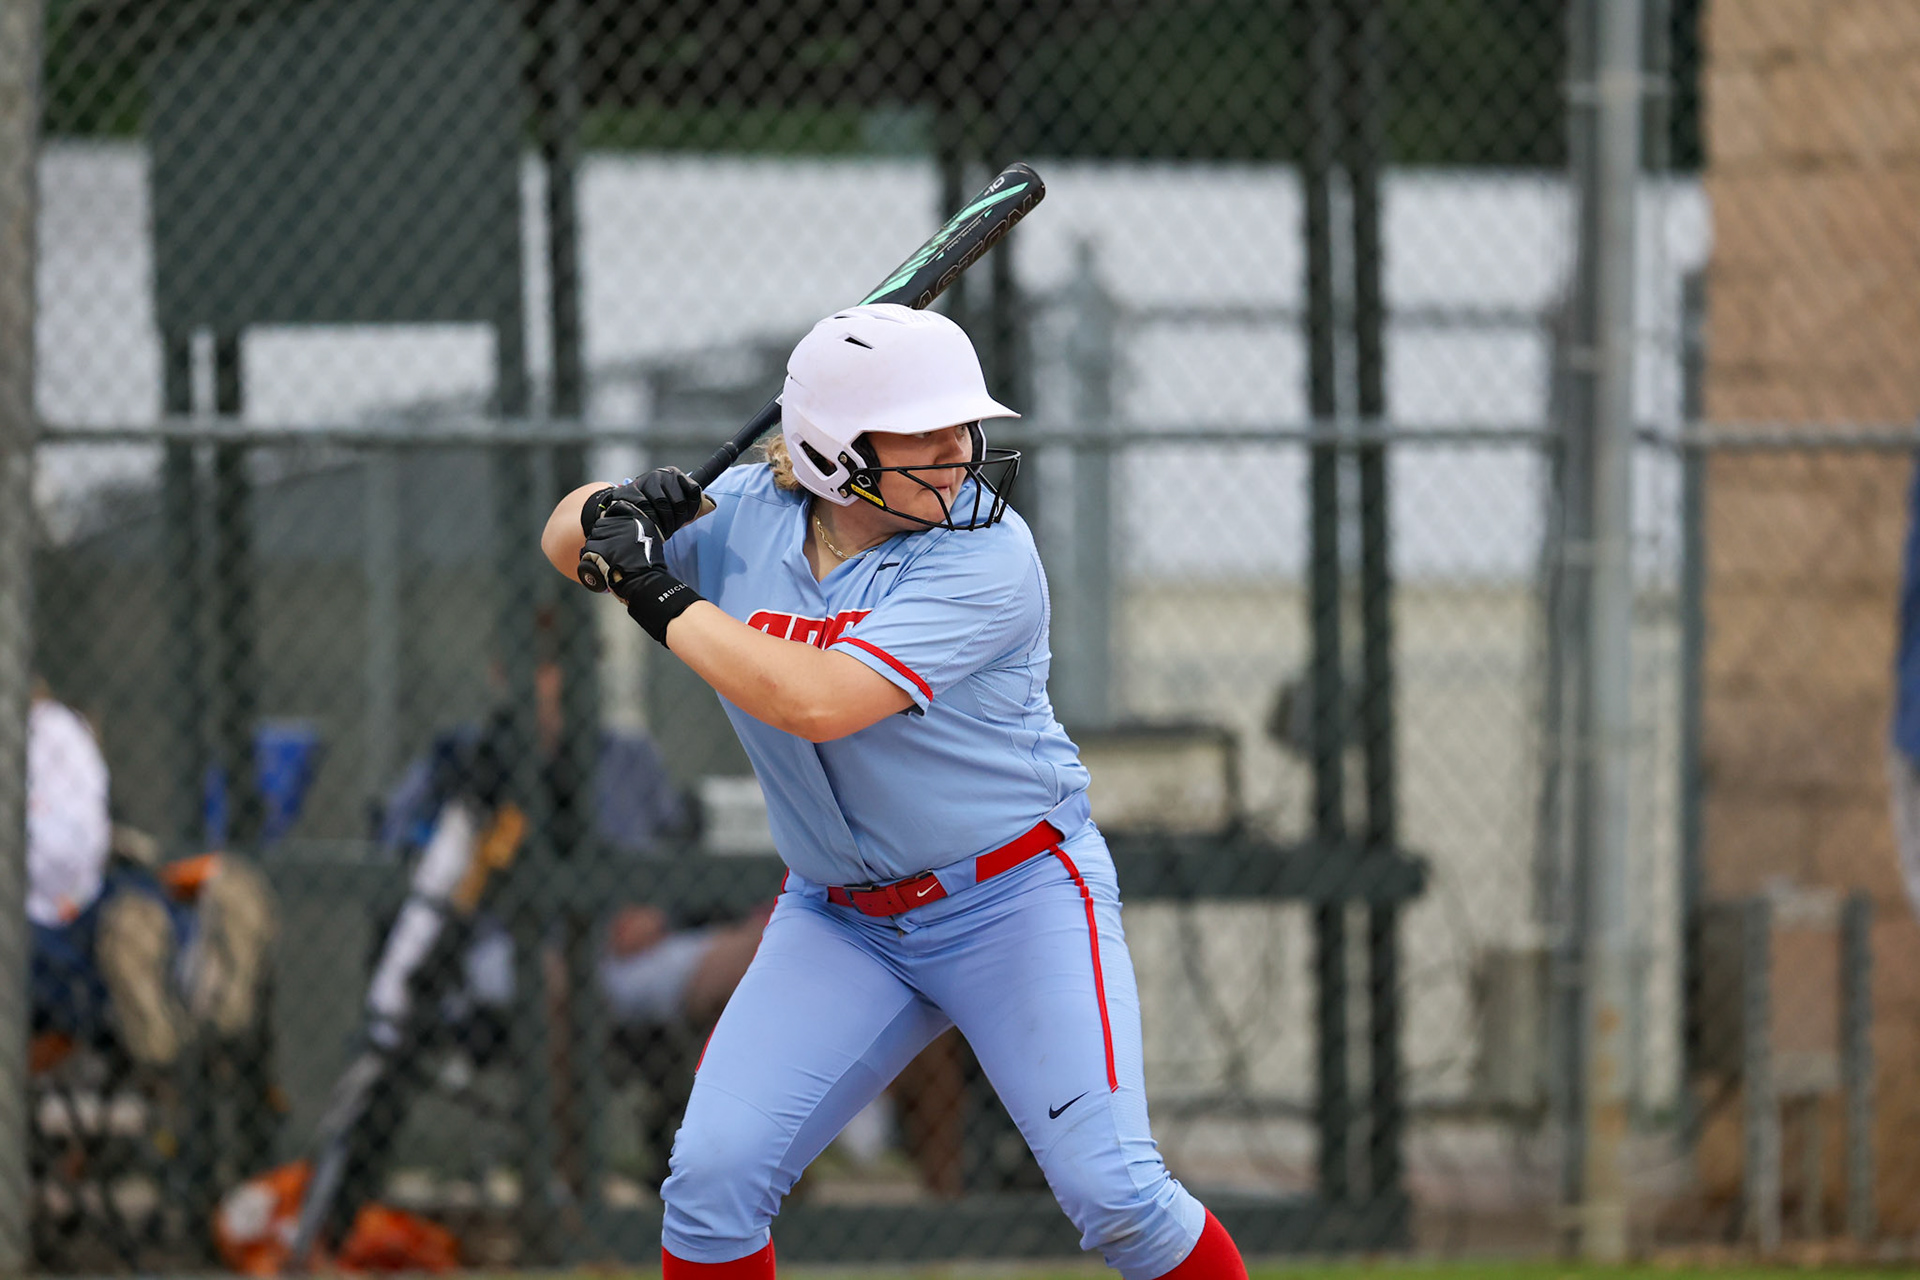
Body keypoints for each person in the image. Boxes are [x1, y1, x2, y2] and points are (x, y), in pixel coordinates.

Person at [540, 303, 1248, 1280]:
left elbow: (814, 700)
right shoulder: (744, 514)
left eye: (962, 423)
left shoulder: (987, 555)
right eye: (924, 428)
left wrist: (657, 590)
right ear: (831, 448)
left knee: (1116, 1194)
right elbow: (563, 537)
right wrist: (612, 508)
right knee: (712, 1179)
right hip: (840, 918)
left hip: (1013, 897)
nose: (958, 450)